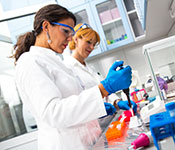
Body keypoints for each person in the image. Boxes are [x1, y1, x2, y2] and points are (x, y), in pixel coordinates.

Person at [12, 4, 132, 150]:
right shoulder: (30, 62)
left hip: (89, 143)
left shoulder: (56, 62)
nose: (70, 39)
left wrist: (97, 111)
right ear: (46, 26)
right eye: (66, 31)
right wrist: (103, 89)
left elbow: (74, 105)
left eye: (71, 33)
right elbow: (53, 113)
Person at [64, 23, 137, 114]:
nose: (92, 47)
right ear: (76, 39)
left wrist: (117, 102)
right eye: (89, 42)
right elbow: (76, 104)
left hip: (102, 123)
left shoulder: (90, 68)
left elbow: (105, 93)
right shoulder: (67, 68)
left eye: (94, 44)